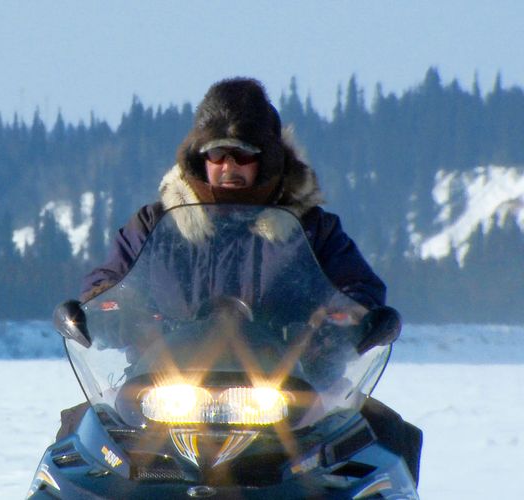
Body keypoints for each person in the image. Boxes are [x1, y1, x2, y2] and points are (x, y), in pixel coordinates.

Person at [60, 77, 421, 484]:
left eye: (242, 154)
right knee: (77, 443)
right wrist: (108, 309)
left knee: (384, 440)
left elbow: (358, 289)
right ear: (201, 158)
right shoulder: (155, 224)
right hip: (163, 388)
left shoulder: (312, 228)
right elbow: (110, 281)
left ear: (265, 159)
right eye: (217, 153)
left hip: (290, 392)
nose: (228, 166)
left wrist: (343, 321)